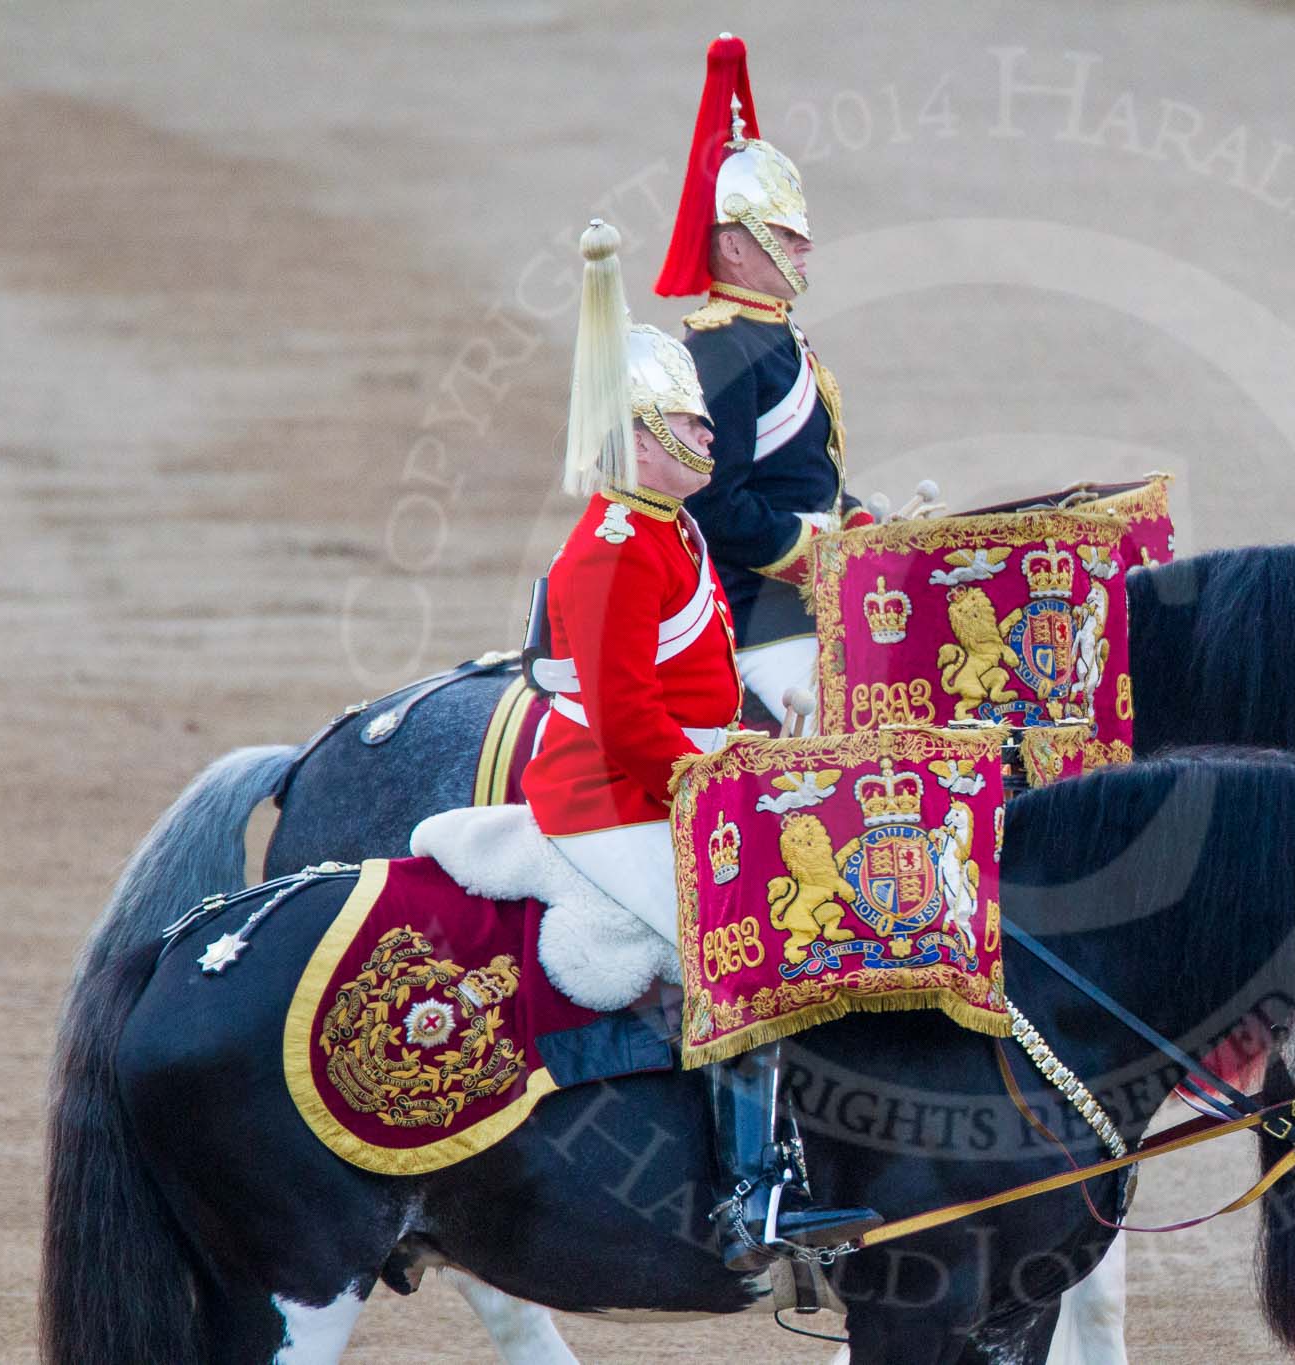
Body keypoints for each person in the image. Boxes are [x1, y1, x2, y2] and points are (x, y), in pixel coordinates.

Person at [522, 218, 880, 1269]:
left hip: (665, 770)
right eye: (686, 424)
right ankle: (747, 1197)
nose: (709, 437)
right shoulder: (611, 551)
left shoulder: (666, 528)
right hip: (604, 793)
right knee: (742, 942)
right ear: (635, 437)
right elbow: (629, 721)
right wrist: (711, 779)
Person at [655, 33, 873, 729]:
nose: (805, 244)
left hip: (808, 597)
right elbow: (715, 506)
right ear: (735, 247)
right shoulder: (721, 349)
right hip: (758, 614)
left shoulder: (773, 334)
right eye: (786, 232)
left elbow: (799, 474)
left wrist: (857, 520)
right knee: (832, 732)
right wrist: (819, 552)